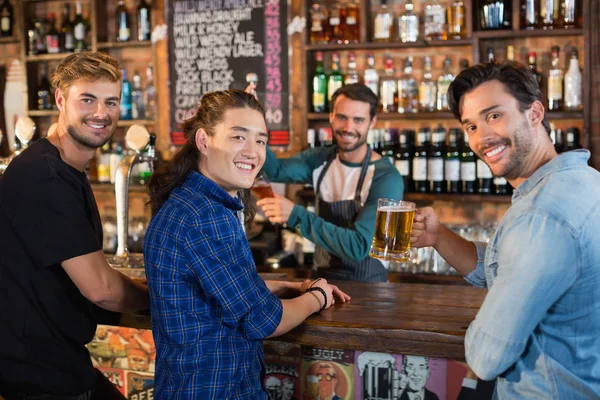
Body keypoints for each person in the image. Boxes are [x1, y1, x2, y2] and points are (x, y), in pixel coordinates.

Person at [143, 89, 350, 399]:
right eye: (238, 137)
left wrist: (281, 286)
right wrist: (317, 296)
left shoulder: (190, 201)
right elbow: (267, 320)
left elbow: (214, 291)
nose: (253, 152)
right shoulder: (206, 215)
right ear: (203, 141)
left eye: (261, 141)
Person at [410, 61, 600, 399]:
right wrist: (438, 238)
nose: (482, 136)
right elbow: (509, 269)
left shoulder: (541, 216)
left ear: (535, 113)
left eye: (494, 115)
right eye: (470, 125)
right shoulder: (584, 180)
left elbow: (486, 357)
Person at [0, 52, 150, 400]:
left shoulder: (61, 169)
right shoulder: (45, 177)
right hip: (34, 374)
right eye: (88, 100)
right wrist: (165, 297)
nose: (101, 113)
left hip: (50, 362)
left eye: (111, 101)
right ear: (61, 100)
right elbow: (102, 289)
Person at [257, 83, 404, 282]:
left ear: (372, 122)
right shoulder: (320, 159)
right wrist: (256, 122)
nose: (348, 128)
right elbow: (273, 170)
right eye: (342, 117)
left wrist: (296, 216)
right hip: (321, 282)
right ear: (331, 117)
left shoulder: (386, 178)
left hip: (369, 290)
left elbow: (359, 246)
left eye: (358, 120)